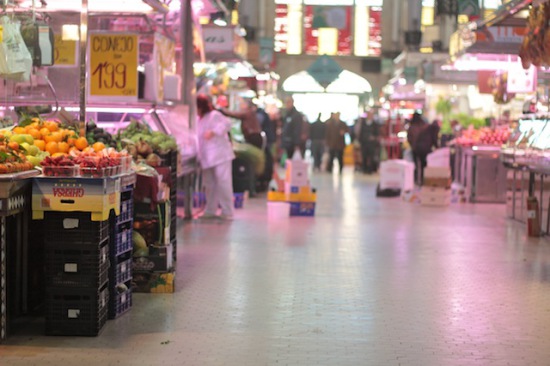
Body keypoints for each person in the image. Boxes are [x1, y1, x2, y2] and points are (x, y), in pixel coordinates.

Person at [196, 94, 235, 220]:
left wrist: (213, 132)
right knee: (209, 184)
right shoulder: (199, 119)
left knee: (223, 182)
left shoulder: (214, 115)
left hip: (220, 155)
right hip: (207, 157)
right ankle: (210, 210)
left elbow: (227, 124)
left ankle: (227, 211)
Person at [412, 119, 441, 185]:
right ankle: (425, 181)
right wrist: (438, 148)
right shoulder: (435, 128)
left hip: (417, 148)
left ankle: (421, 180)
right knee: (426, 165)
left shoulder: (427, 128)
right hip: (424, 148)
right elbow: (434, 139)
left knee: (422, 165)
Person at [356, 110, 380, 174]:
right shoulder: (363, 123)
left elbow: (377, 133)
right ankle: (364, 169)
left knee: (371, 156)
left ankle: (370, 170)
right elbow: (360, 132)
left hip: (371, 144)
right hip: (364, 142)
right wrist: (359, 140)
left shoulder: (375, 124)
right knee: (364, 156)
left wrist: (373, 138)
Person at [407, 112, 428, 184]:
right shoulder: (424, 126)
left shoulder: (411, 126)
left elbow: (409, 138)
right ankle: (422, 180)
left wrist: (412, 145)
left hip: (414, 148)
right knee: (423, 165)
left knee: (415, 164)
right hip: (423, 148)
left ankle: (415, 179)